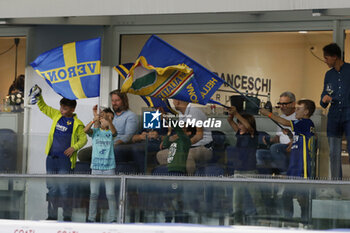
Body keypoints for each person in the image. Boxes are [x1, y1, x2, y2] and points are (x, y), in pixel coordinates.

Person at [32, 85, 87, 221]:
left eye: (65, 109)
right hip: (51, 158)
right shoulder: (56, 115)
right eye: (61, 107)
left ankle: (67, 217)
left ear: (72, 109)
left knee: (64, 189)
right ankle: (52, 216)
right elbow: (44, 107)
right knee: (52, 189)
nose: (62, 110)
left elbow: (84, 138)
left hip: (65, 160)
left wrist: (74, 147)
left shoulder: (77, 123)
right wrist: (39, 96)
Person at [260, 99, 316, 219]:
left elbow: (285, 122)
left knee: (302, 197)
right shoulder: (302, 125)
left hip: (302, 167)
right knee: (287, 195)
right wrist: (290, 135)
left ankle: (305, 220)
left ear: (306, 112)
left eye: (298, 108)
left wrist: (268, 114)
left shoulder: (305, 122)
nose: (295, 110)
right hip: (294, 166)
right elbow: (299, 140)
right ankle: (288, 220)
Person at [78, 90, 139, 169]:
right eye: (112, 100)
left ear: (124, 101)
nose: (114, 103)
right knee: (82, 154)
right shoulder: (110, 114)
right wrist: (96, 118)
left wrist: (112, 145)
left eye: (117, 100)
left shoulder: (131, 116)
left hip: (116, 146)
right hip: (101, 143)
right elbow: (97, 131)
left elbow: (127, 137)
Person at [226, 106, 265, 224]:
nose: (240, 126)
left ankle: (263, 220)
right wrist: (231, 114)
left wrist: (237, 113)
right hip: (238, 171)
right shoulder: (239, 133)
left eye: (241, 123)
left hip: (250, 171)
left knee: (257, 198)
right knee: (236, 201)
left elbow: (248, 127)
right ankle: (238, 223)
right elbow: (230, 121)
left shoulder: (253, 134)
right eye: (239, 124)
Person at [156, 100, 213, 175]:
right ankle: (174, 178)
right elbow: (181, 134)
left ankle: (189, 183)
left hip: (204, 148)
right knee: (161, 155)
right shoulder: (181, 114)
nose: (173, 103)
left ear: (177, 102)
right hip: (189, 147)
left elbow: (199, 136)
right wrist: (168, 141)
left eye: (173, 101)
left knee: (186, 155)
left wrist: (183, 146)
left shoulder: (194, 112)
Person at [320, 43, 350, 180]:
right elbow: (324, 94)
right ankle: (335, 185)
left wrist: (334, 97)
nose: (325, 61)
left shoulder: (349, 70)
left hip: (348, 114)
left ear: (334, 57)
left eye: (326, 58)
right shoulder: (328, 74)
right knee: (333, 152)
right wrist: (324, 100)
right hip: (333, 116)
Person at [84, 107, 117, 223]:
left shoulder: (111, 132)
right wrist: (94, 120)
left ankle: (113, 219)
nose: (107, 121)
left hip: (109, 167)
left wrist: (110, 122)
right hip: (96, 167)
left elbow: (114, 132)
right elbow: (85, 130)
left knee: (110, 194)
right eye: (105, 118)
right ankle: (91, 218)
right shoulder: (96, 132)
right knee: (93, 194)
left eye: (111, 119)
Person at [256, 91, 296, 173]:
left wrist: (268, 114)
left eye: (285, 104)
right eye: (280, 104)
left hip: (292, 148)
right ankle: (265, 179)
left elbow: (285, 123)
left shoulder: (297, 116)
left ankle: (284, 174)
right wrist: (270, 140)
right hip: (279, 149)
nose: (282, 107)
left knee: (275, 148)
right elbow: (278, 137)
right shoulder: (281, 117)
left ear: (293, 104)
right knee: (259, 153)